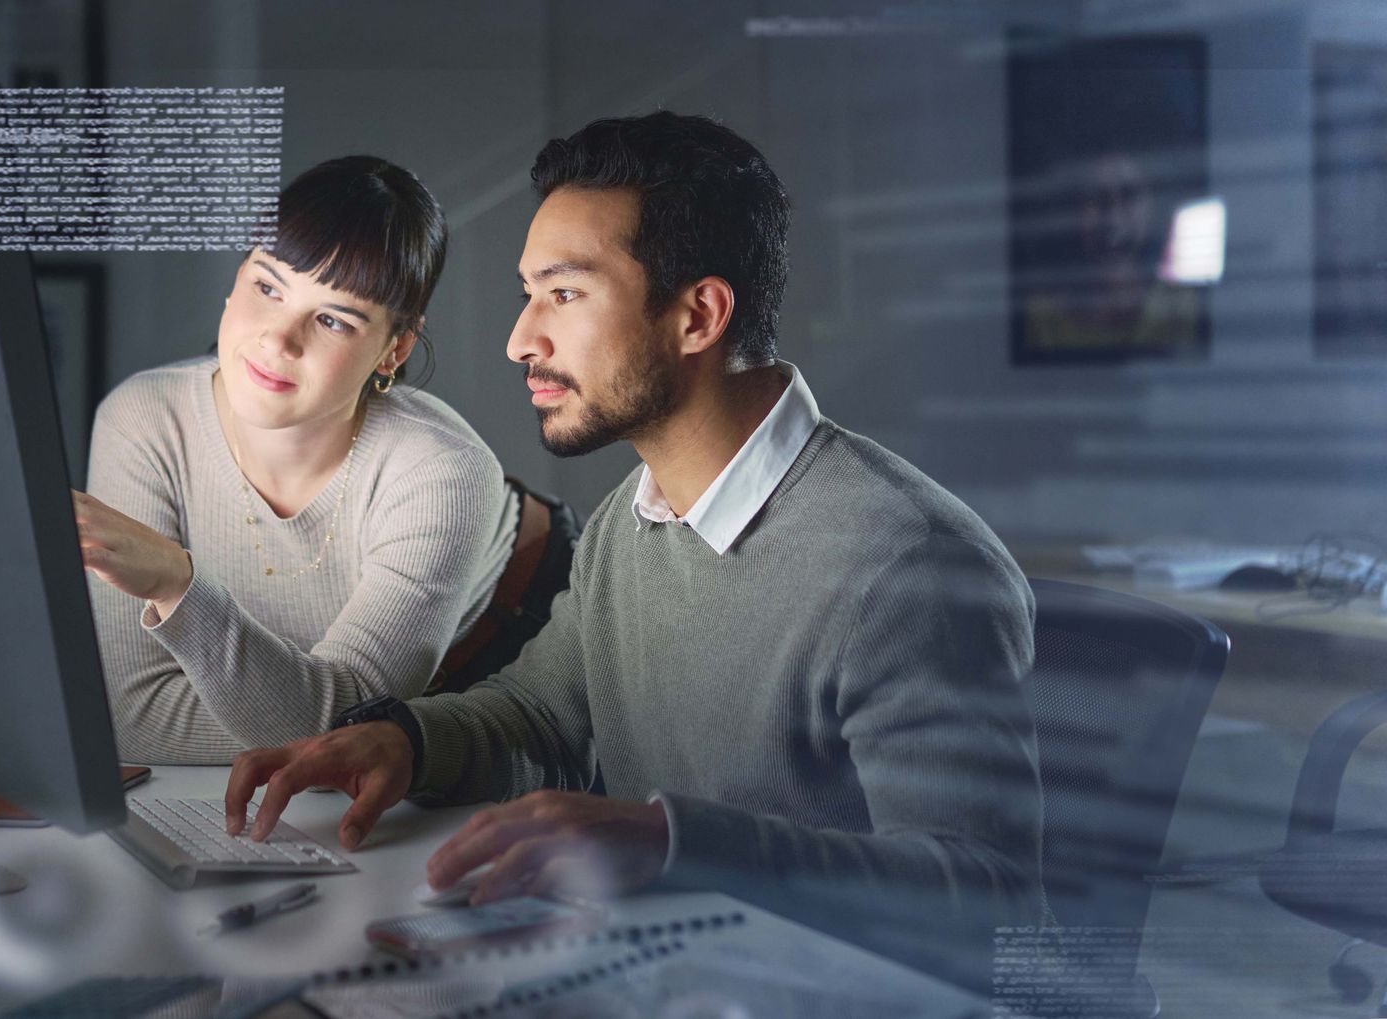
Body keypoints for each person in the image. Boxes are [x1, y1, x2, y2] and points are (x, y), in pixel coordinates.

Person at [225, 114, 1043, 993]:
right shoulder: (635, 517)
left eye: (565, 295)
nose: (521, 339)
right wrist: (406, 741)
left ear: (698, 315)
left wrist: (667, 842)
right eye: (527, 293)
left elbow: (990, 903)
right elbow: (542, 713)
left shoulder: (905, 565)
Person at [73, 156, 574, 766]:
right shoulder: (144, 419)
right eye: (267, 287)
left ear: (393, 351)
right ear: (236, 279)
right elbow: (133, 719)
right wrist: (302, 715)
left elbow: (351, 729)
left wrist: (178, 583)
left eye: (334, 320)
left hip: (503, 636)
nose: (279, 339)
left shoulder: (444, 469)